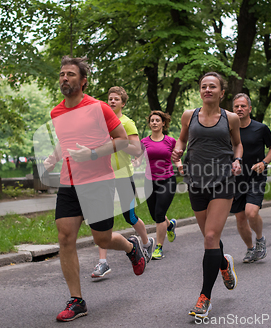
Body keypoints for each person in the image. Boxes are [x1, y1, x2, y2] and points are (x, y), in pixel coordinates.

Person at [42, 56, 145, 322]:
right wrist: (54, 156)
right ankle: (77, 301)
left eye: (71, 74)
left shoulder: (99, 108)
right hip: (69, 182)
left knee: (102, 239)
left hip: (99, 180)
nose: (65, 78)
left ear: (83, 81)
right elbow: (65, 141)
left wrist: (90, 154)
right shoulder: (56, 112)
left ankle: (131, 247)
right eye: (62, 74)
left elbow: (122, 141)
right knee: (65, 238)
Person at [172, 72, 243, 318]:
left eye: (213, 87)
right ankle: (223, 263)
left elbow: (237, 144)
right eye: (204, 86)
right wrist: (177, 152)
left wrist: (237, 160)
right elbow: (182, 140)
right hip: (195, 180)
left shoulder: (231, 118)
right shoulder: (189, 116)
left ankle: (204, 298)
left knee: (211, 236)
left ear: (222, 93)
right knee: (209, 237)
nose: (207, 90)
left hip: (223, 180)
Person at [91, 86, 155, 278]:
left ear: (123, 103)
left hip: (123, 176)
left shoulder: (127, 123)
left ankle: (146, 243)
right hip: (103, 177)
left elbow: (136, 149)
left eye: (116, 99)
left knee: (130, 217)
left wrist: (118, 140)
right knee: (102, 220)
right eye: (109, 98)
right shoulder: (100, 124)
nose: (111, 101)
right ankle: (102, 263)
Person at [230, 93, 271, 263]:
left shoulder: (260, 128)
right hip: (235, 180)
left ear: (249, 109)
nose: (240, 109)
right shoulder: (228, 130)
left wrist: (264, 162)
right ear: (232, 109)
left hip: (255, 177)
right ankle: (250, 249)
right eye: (236, 106)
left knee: (251, 212)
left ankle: (259, 239)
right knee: (240, 218)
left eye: (243, 106)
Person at [133, 111, 179, 260]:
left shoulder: (170, 141)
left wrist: (180, 165)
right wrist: (135, 163)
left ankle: (159, 247)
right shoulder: (144, 142)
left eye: (157, 120)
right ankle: (170, 226)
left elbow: (176, 157)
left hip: (167, 180)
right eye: (152, 120)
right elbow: (139, 160)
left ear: (163, 123)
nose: (154, 123)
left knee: (159, 213)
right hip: (149, 181)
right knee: (154, 215)